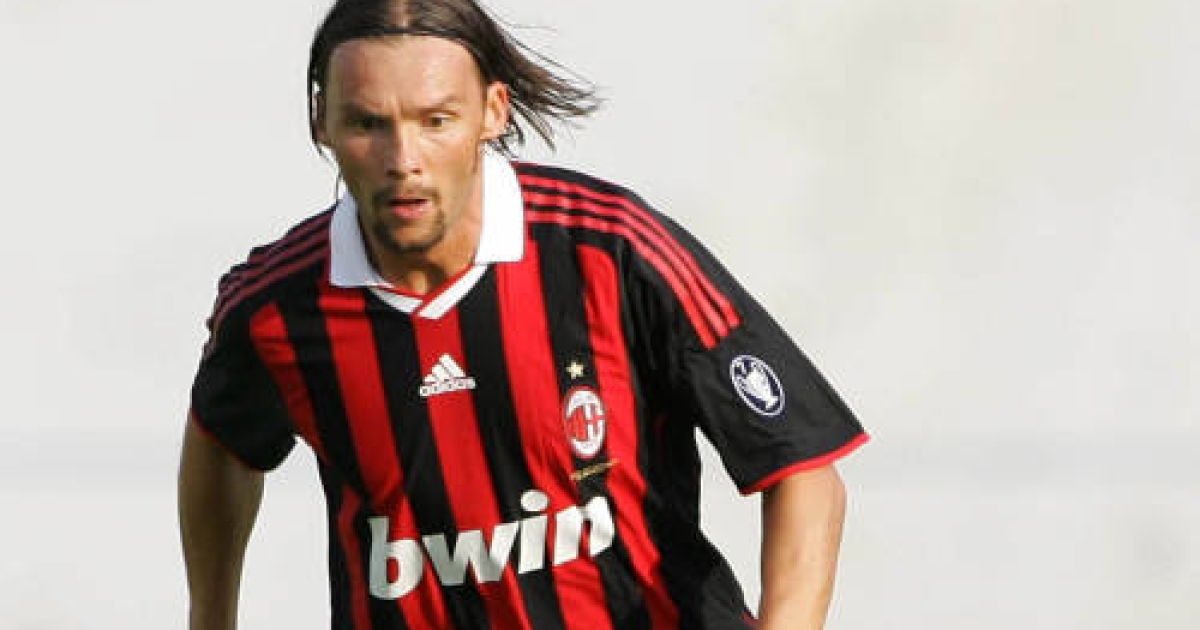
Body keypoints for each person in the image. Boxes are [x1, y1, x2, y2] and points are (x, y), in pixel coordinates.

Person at [178, 1, 868, 629]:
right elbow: (223, 439)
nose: (403, 160)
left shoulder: (611, 251)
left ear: (493, 111)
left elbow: (802, 465)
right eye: (368, 124)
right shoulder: (275, 308)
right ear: (321, 122)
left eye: (435, 120)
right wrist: (210, 618)